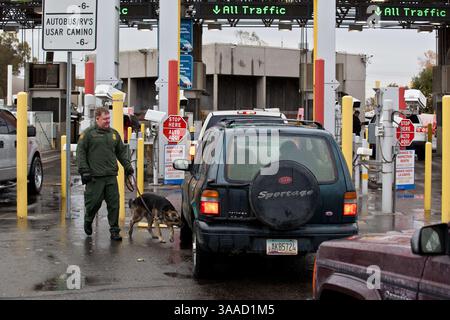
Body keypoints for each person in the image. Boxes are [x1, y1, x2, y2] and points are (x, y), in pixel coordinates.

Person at [76, 107, 134, 241]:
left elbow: (121, 152)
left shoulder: (113, 134)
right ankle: (88, 219)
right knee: (93, 203)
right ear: (97, 119)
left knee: (114, 204)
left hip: (111, 177)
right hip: (95, 178)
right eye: (105, 119)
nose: (108, 121)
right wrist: (84, 170)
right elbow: (80, 153)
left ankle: (114, 231)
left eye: (109, 119)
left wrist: (127, 166)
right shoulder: (88, 134)